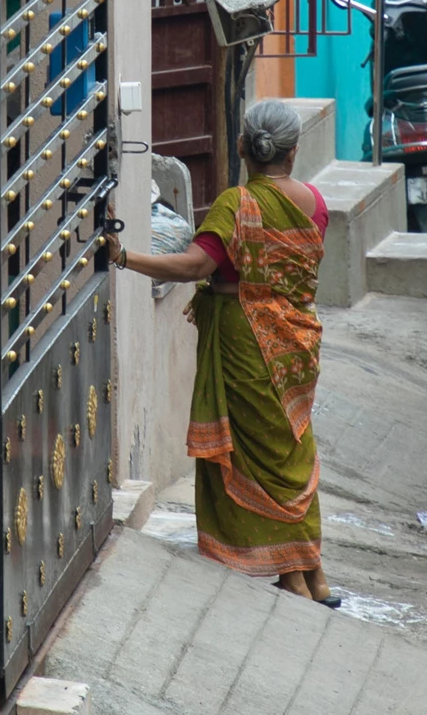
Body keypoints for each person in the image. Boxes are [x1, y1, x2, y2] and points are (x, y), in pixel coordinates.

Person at [105, 101, 340, 607]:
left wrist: (123, 256)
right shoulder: (316, 203)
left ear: (242, 148)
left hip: (246, 341)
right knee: (290, 450)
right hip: (297, 347)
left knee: (253, 455)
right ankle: (311, 573)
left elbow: (193, 268)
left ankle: (292, 573)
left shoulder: (237, 204)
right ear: (294, 153)